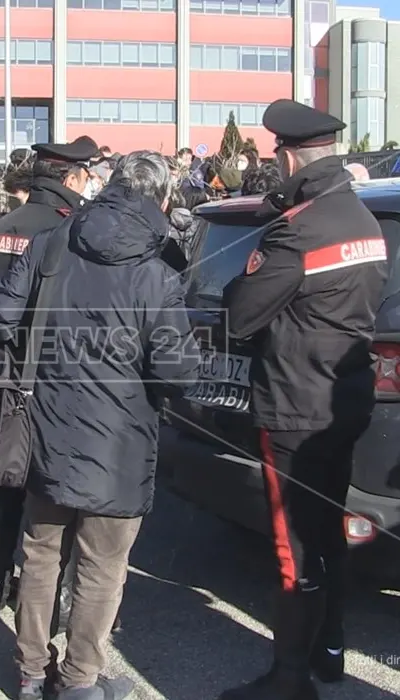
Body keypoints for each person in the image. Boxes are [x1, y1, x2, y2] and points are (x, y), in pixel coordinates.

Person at [0, 151, 200, 700]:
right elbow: (176, 370)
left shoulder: (53, 242)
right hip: (121, 441)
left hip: (48, 428)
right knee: (101, 567)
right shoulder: (158, 270)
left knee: (40, 553)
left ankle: (31, 672)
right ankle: (80, 681)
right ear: (162, 199)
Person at [220, 100, 388, 700]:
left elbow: (241, 315)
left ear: (289, 156)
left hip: (294, 406)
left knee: (293, 548)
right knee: (327, 532)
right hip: (345, 400)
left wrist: (250, 266)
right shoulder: (365, 223)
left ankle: (290, 680)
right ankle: (330, 649)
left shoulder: (298, 229)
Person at [0, 136, 98, 612]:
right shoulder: (75, 229)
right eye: (86, 174)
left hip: (5, 371)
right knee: (50, 487)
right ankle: (46, 589)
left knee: (6, 479)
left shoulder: (4, 226)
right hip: (53, 376)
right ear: (71, 177)